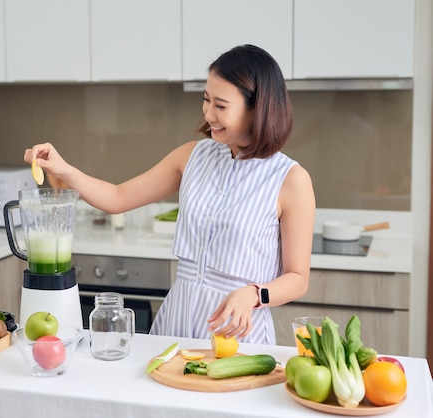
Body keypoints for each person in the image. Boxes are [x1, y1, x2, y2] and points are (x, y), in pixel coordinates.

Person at [23, 44, 315, 345]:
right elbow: (118, 197)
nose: (208, 113)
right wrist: (64, 168)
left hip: (237, 334)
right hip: (176, 321)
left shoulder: (291, 180)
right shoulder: (192, 156)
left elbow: (297, 278)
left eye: (221, 105)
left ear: (258, 109)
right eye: (206, 100)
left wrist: (256, 294)